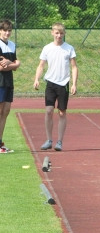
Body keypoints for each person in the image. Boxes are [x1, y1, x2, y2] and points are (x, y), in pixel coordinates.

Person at [33, 22, 78, 152]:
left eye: (61, 33)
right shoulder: (47, 48)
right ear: (52, 33)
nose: (59, 36)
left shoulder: (69, 48)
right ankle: (49, 140)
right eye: (57, 33)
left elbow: (74, 66)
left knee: (62, 112)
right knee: (48, 110)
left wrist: (74, 83)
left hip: (63, 84)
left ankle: (59, 141)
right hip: (51, 83)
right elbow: (41, 65)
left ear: (64, 34)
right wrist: (36, 79)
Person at [0, 19, 21, 153]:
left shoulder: (12, 45)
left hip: (9, 83)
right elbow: (1, 67)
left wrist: (13, 64)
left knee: (5, 112)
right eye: (4, 30)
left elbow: (14, 64)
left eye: (9, 31)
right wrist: (15, 64)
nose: (7, 33)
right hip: (0, 82)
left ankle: (0, 142)